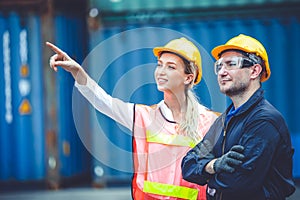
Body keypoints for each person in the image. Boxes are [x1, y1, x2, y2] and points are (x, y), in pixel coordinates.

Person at [47, 37, 218, 200]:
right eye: (159, 65)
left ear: (188, 77)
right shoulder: (143, 116)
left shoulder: (210, 121)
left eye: (171, 67)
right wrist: (77, 71)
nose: (161, 72)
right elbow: (103, 101)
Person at [181, 34, 296, 200]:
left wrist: (205, 173)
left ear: (254, 71)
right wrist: (213, 165)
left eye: (231, 64)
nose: (221, 72)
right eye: (219, 66)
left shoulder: (264, 121)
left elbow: (237, 184)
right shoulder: (224, 121)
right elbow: (188, 165)